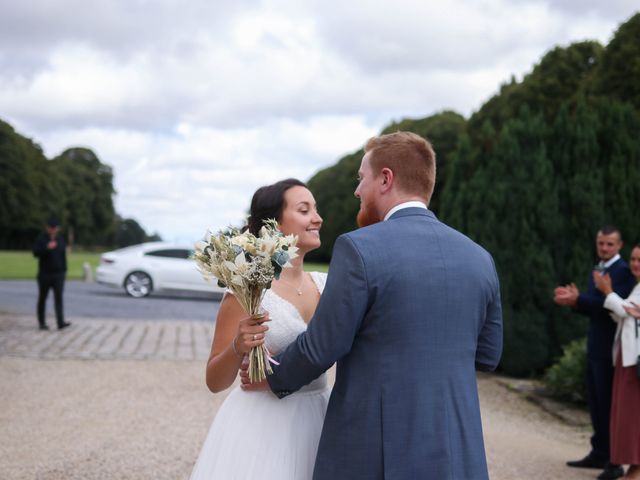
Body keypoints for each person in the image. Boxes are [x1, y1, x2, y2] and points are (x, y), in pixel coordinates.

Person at [246, 132, 503, 479]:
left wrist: (272, 378)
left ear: (385, 178)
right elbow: (488, 355)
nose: (356, 191)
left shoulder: (360, 248)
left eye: (361, 178)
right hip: (458, 449)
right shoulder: (480, 258)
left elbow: (323, 345)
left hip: (377, 447)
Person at [189, 178, 329, 480]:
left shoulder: (326, 285)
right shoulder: (248, 292)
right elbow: (215, 381)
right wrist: (238, 347)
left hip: (321, 416)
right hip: (263, 426)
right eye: (305, 210)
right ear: (274, 225)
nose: (317, 218)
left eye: (315, 209)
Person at [554, 226, 636, 480]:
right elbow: (596, 305)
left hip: (615, 347)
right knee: (597, 402)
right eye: (601, 243)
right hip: (597, 344)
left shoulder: (623, 271)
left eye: (609, 244)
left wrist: (581, 299)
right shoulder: (599, 269)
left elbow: (612, 306)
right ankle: (599, 451)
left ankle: (614, 459)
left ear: (619, 245)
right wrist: (576, 302)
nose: (604, 248)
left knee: (610, 404)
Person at [593, 243, 640, 480]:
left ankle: (636, 467)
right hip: (626, 357)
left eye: (639, 260)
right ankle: (633, 466)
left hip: (635, 361)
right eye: (633, 259)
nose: (635, 264)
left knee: (633, 415)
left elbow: (626, 310)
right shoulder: (637, 287)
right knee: (625, 413)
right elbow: (626, 312)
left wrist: (607, 291)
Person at [33, 217, 71, 331]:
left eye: (55, 228)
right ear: (47, 228)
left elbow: (63, 257)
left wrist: (64, 271)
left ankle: (60, 322)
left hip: (58, 274)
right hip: (45, 274)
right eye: (51, 228)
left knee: (58, 298)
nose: (53, 230)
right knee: (42, 298)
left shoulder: (61, 240)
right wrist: (47, 248)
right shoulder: (41, 239)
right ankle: (42, 322)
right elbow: (35, 253)